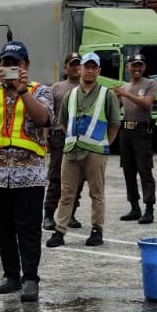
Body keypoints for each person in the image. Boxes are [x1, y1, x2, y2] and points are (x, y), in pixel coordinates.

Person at [0, 41, 50, 301]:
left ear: (26, 66)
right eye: (6, 63)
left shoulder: (40, 91)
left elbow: (43, 119)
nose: (10, 68)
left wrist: (23, 92)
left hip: (29, 175)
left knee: (28, 229)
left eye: (16, 64)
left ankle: (30, 278)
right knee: (3, 228)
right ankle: (11, 275)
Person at [47, 52, 119, 249]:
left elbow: (114, 124)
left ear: (98, 70)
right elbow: (62, 122)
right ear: (80, 69)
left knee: (96, 192)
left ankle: (97, 230)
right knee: (66, 192)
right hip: (71, 150)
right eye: (86, 67)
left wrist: (104, 144)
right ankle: (60, 230)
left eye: (93, 67)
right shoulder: (70, 95)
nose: (89, 70)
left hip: (95, 151)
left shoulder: (107, 94)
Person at [43, 52, 84, 230]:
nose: (76, 67)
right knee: (56, 176)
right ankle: (49, 214)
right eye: (72, 64)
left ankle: (70, 214)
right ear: (66, 67)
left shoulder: (88, 87)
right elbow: (48, 114)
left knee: (78, 178)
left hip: (81, 137)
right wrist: (45, 135)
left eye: (79, 64)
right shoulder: (57, 88)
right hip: (60, 136)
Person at [115, 55, 157, 224]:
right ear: (127, 67)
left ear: (144, 67)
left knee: (145, 169)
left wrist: (126, 94)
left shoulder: (150, 84)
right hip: (126, 129)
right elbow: (114, 107)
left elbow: (147, 104)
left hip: (142, 130)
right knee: (128, 170)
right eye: (134, 65)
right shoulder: (124, 87)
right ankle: (134, 206)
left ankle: (149, 208)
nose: (137, 69)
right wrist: (113, 97)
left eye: (140, 65)